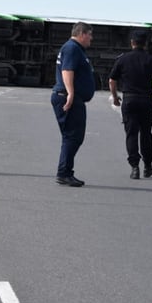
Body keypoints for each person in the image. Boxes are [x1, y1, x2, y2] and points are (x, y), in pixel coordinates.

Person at [108, 30, 152, 179]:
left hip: (129, 100)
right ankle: (148, 166)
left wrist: (115, 97)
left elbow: (112, 80)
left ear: (132, 43)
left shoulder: (123, 60)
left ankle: (134, 167)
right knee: (146, 134)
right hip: (145, 101)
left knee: (131, 134)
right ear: (146, 44)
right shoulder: (151, 60)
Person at [51, 22, 95, 187]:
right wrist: (70, 93)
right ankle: (64, 173)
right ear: (82, 33)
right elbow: (67, 71)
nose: (91, 38)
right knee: (73, 136)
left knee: (73, 137)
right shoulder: (72, 48)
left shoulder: (75, 49)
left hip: (72, 97)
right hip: (68, 97)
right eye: (90, 35)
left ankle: (65, 172)